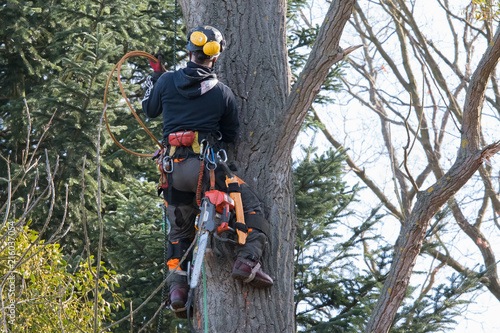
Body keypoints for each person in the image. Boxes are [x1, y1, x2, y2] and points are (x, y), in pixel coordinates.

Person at [142, 25, 273, 319]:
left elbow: (149, 109)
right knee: (250, 205)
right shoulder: (223, 93)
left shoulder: (165, 81)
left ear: (190, 51)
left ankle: (178, 289)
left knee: (179, 231)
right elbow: (231, 134)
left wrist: (155, 78)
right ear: (214, 59)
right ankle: (248, 260)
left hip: (173, 171)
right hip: (207, 170)